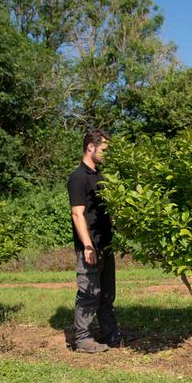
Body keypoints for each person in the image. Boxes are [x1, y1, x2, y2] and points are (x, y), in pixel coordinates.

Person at [67, 128, 122, 352]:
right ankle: (82, 340)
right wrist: (88, 246)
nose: (106, 154)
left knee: (107, 294)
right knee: (89, 293)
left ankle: (110, 334)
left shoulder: (99, 176)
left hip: (105, 245)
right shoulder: (78, 177)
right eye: (104, 149)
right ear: (91, 146)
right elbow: (77, 213)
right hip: (90, 246)